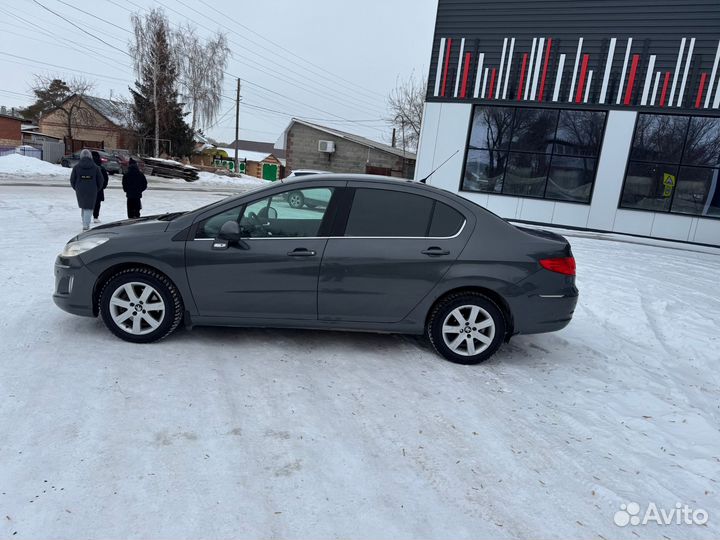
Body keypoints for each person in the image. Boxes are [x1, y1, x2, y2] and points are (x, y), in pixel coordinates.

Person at [69, 148, 103, 231]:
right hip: (92, 190)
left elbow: (72, 180)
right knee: (89, 207)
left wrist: (76, 188)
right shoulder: (96, 168)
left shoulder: (76, 167)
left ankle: (84, 221)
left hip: (80, 189)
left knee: (84, 206)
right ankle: (86, 225)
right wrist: (96, 188)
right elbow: (100, 180)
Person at [91, 151, 109, 223]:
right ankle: (95, 216)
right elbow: (105, 178)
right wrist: (103, 186)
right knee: (97, 203)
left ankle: (86, 216)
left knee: (88, 203)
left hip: (89, 188)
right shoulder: (101, 167)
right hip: (99, 188)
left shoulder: (89, 166)